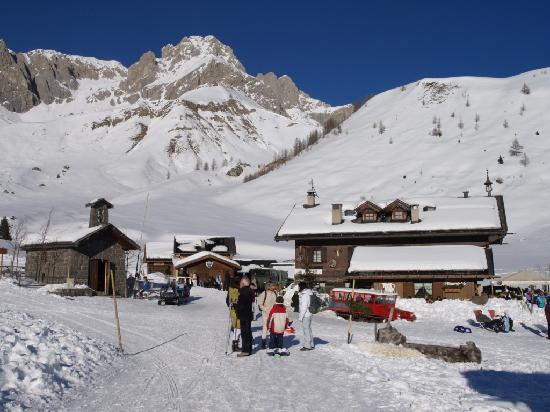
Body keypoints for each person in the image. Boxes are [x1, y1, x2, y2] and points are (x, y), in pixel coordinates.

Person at [236, 276, 254, 357]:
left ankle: (245, 350)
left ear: (243, 283)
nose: (239, 284)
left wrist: (235, 305)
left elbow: (242, 305)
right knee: (248, 332)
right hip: (248, 314)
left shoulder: (243, 291)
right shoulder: (249, 290)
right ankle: (248, 349)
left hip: (244, 314)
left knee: (245, 333)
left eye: (240, 282)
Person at [257, 282, 278, 349]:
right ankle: (263, 343)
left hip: (274, 313)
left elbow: (277, 302)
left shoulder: (275, 293)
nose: (274, 286)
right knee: (265, 328)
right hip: (266, 314)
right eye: (272, 285)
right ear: (268, 286)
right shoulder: (264, 293)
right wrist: (265, 309)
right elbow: (260, 303)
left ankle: (272, 343)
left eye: (273, 285)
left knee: (273, 328)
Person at [226, 277, 241, 351]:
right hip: (238, 310)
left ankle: (235, 344)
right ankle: (235, 345)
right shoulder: (239, 290)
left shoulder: (230, 289)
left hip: (232, 310)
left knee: (235, 327)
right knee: (238, 327)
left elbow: (227, 301)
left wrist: (230, 305)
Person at [298, 282, 314, 351]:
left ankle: (307, 346)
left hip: (306, 314)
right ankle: (311, 344)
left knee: (306, 330)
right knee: (309, 329)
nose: (298, 288)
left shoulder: (305, 295)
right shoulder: (309, 292)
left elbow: (304, 307)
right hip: (309, 313)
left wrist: (301, 317)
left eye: (299, 286)